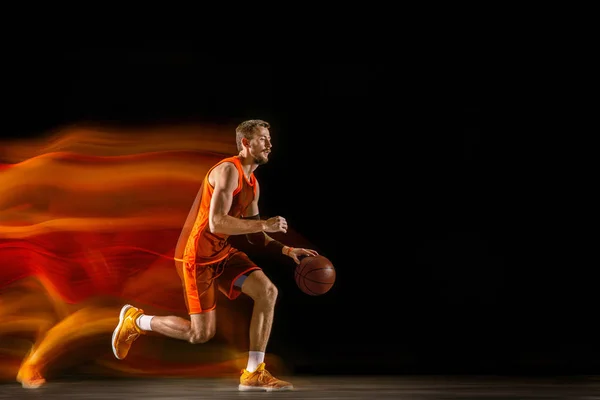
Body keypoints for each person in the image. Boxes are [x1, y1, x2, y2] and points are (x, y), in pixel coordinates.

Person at [111, 119, 317, 391]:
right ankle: (136, 321)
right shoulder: (228, 171)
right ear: (246, 143)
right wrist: (264, 224)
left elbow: (254, 234)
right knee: (200, 334)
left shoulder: (253, 184)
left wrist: (286, 249)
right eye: (262, 138)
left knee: (268, 292)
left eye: (269, 138)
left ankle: (253, 373)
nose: (269, 144)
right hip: (197, 256)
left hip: (222, 251)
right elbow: (216, 223)